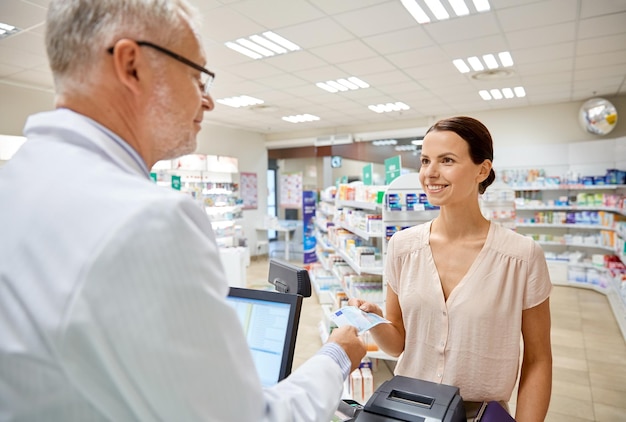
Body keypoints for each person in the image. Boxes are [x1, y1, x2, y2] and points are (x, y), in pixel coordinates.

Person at [0, 1, 366, 421]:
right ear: (131, 65)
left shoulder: (19, 182)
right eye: (198, 76)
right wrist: (337, 357)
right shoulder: (148, 220)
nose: (208, 101)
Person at [349, 116, 553, 421]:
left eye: (447, 160)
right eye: (425, 161)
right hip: (405, 409)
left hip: (478, 415)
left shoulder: (521, 257)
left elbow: (538, 359)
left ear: (482, 170)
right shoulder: (403, 246)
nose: (431, 173)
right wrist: (374, 320)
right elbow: (397, 345)